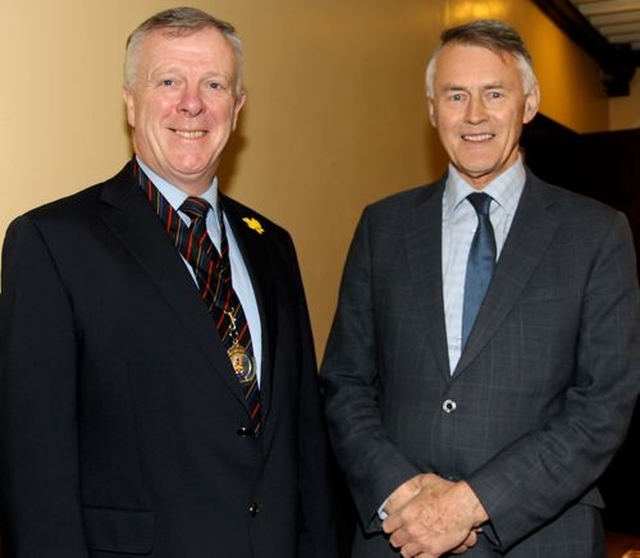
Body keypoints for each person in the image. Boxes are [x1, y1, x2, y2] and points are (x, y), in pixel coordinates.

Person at [0, 7, 338, 558]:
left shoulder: (272, 245)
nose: (192, 103)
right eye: (168, 81)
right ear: (130, 101)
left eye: (214, 84)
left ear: (238, 106)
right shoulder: (52, 244)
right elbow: (34, 474)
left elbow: (304, 446)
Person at [320, 19, 640, 558]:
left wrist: (468, 504)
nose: (474, 115)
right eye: (455, 95)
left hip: (544, 540)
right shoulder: (383, 227)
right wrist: (401, 495)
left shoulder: (597, 234)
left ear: (529, 102)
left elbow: (603, 405)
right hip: (398, 536)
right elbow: (346, 383)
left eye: (494, 93)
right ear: (431, 109)